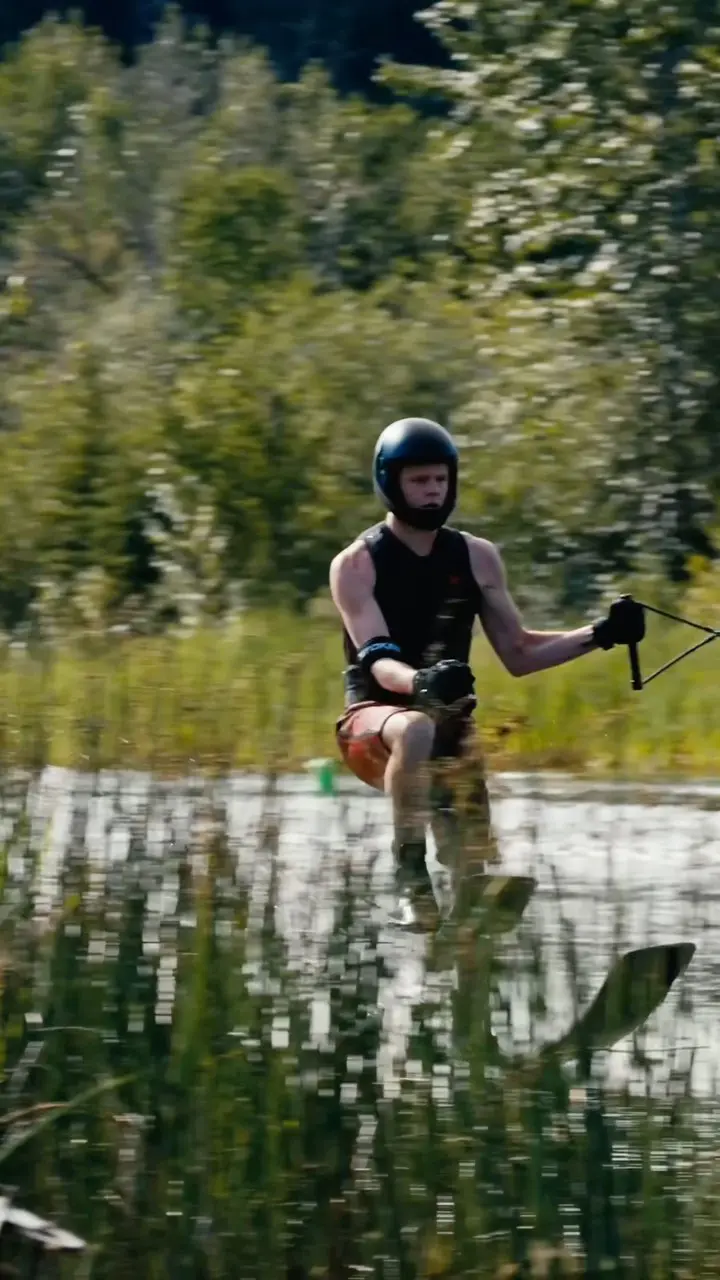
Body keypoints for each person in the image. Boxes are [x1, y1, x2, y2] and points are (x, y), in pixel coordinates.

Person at [329, 418, 645, 927]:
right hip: (375, 727)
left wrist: (603, 633)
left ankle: (460, 966)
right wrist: (420, 683)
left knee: (472, 879)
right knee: (417, 726)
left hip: (451, 736)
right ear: (390, 482)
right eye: (418, 481)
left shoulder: (477, 557)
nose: (432, 492)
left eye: (440, 480)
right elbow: (379, 662)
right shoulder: (357, 564)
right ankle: (410, 876)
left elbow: (519, 653)